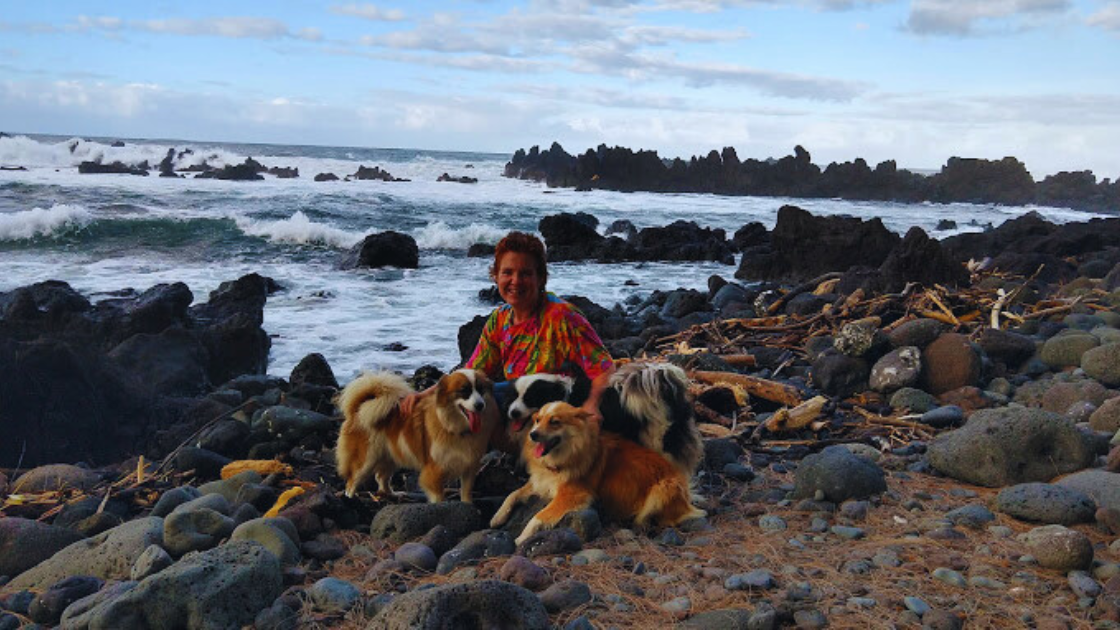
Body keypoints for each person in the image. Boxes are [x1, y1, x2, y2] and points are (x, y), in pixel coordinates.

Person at [402, 231, 615, 421]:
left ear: (541, 278)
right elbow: (471, 372)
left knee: (488, 400)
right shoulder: (500, 319)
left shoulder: (563, 317)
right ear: (495, 276)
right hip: (517, 406)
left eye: (525, 273)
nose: (515, 281)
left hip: (556, 414)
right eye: (507, 272)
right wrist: (423, 396)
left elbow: (604, 369)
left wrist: (592, 405)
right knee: (459, 401)